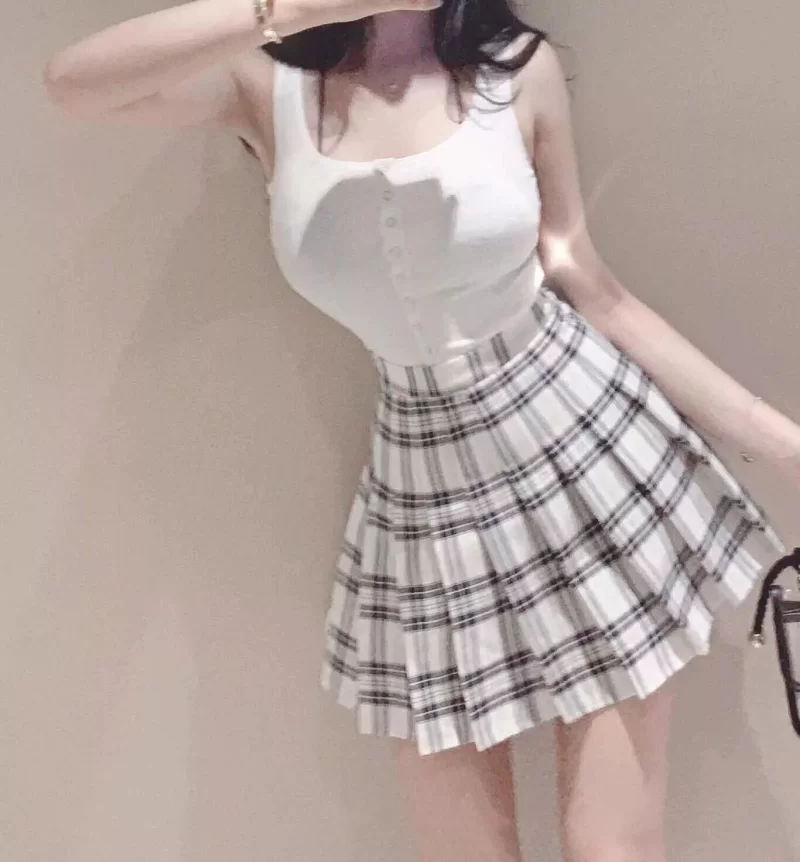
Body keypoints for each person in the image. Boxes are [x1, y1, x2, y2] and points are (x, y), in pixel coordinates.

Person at [43, 2, 800, 860]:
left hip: (581, 449)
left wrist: (783, 445)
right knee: (463, 846)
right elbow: (74, 86)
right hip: (422, 480)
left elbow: (588, 281)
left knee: (608, 846)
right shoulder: (268, 84)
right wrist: (295, 9)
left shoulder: (513, 69)